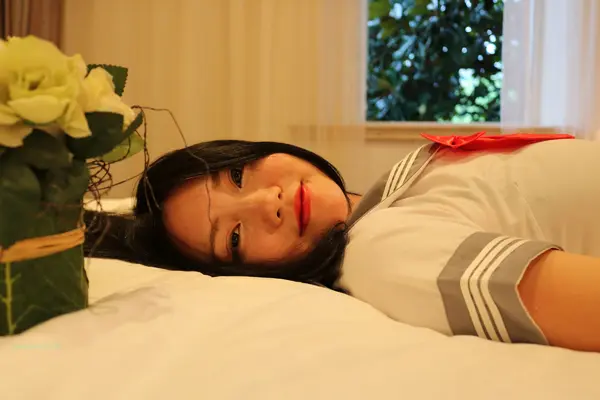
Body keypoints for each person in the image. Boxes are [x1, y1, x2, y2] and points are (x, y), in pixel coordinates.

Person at [85, 136, 600, 353]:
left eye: (238, 175)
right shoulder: (385, 252)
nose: (267, 202)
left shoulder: (391, 195)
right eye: (235, 236)